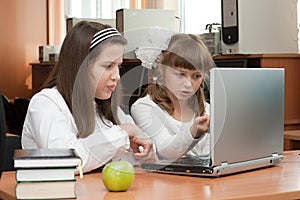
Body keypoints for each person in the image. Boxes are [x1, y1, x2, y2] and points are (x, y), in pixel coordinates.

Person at [22, 21, 157, 173]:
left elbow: (137, 159)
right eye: (108, 66)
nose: (117, 76)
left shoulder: (106, 108)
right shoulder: (46, 103)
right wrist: (124, 132)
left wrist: (145, 150)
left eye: (118, 66)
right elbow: (67, 161)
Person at [131, 32, 215, 160]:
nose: (188, 84)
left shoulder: (207, 109)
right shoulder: (144, 108)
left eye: (196, 76)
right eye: (180, 74)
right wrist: (193, 133)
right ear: (161, 69)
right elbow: (164, 152)